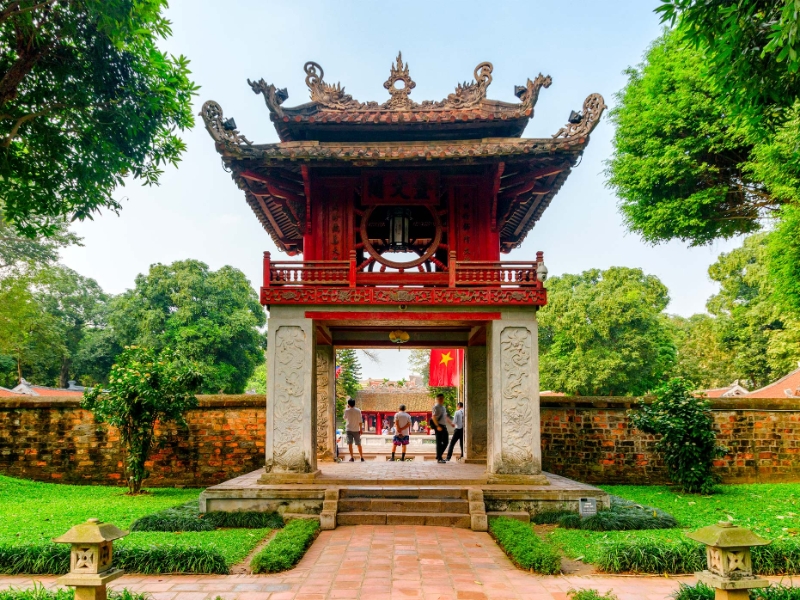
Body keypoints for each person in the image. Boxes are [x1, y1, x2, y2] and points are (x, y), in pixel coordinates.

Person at [431, 393, 454, 464]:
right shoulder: (436, 407)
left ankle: (439, 455)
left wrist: (451, 423)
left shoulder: (443, 407)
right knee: (439, 442)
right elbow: (433, 417)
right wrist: (437, 426)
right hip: (439, 426)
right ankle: (439, 458)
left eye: (442, 398)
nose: (441, 400)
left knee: (446, 441)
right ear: (437, 399)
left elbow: (445, 417)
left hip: (444, 426)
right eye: (439, 398)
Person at [343, 398, 364, 462]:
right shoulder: (358, 411)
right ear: (354, 404)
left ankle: (352, 457)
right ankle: (361, 457)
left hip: (348, 429)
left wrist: (347, 408)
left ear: (348, 404)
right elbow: (360, 421)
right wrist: (360, 429)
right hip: (356, 429)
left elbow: (344, 418)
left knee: (350, 444)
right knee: (358, 444)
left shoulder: (347, 410)